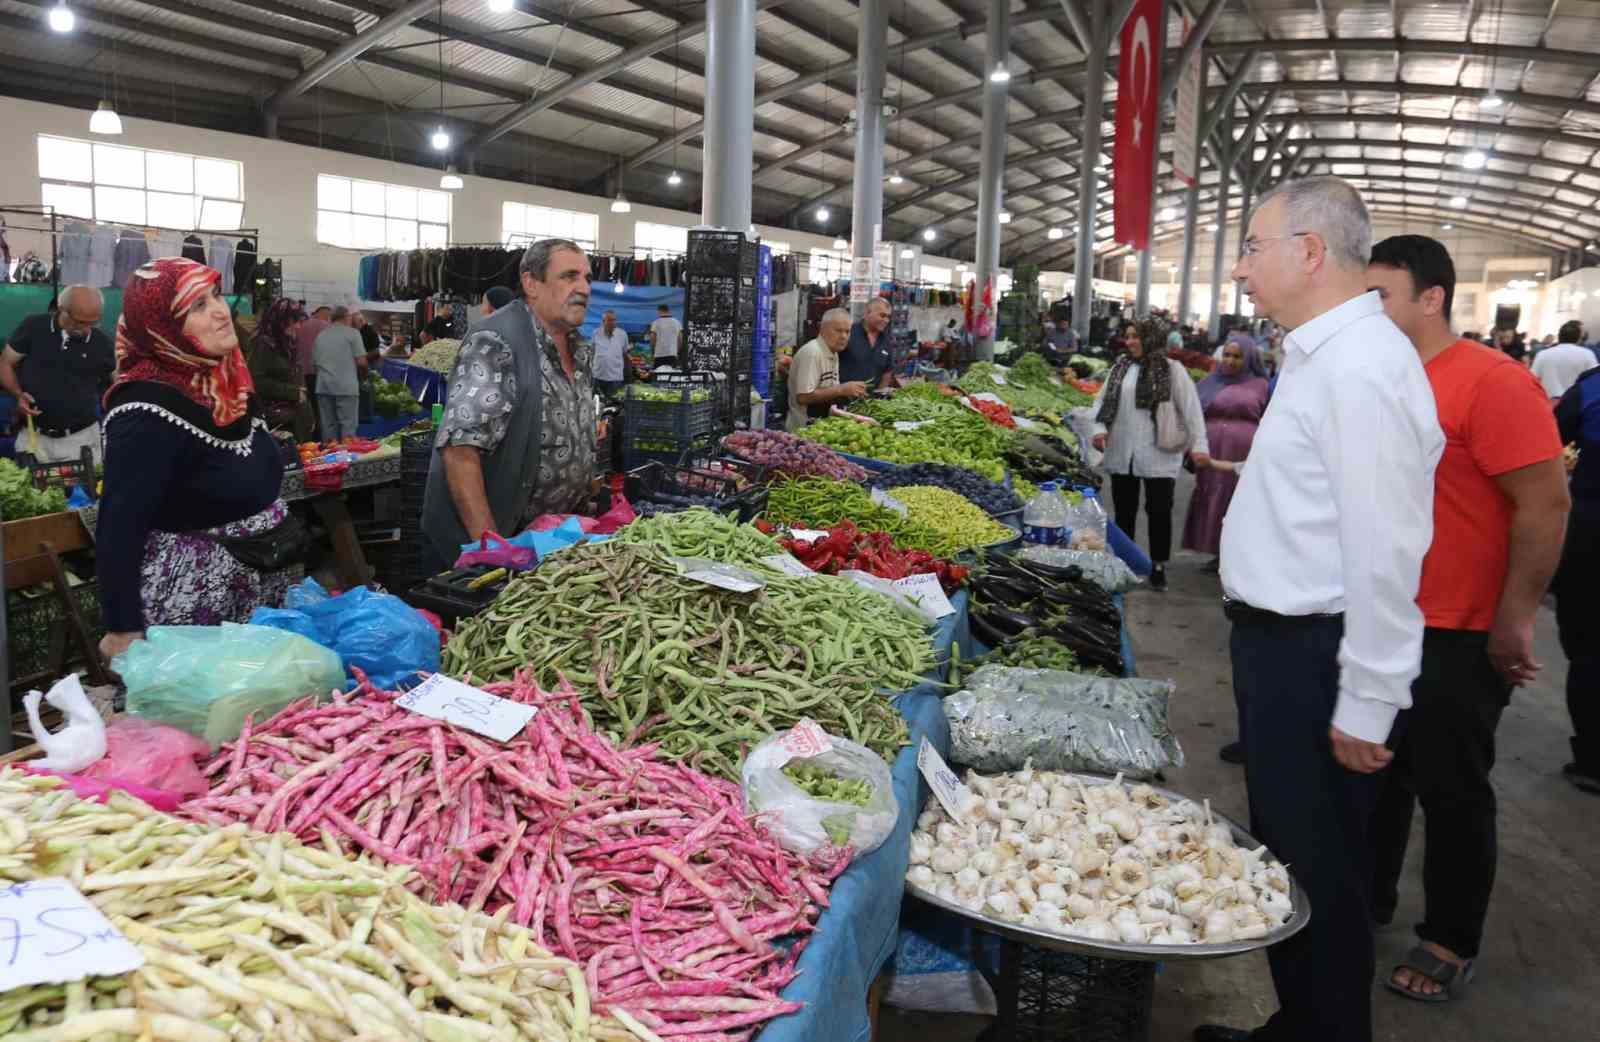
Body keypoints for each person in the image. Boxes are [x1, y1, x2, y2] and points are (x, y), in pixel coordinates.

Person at [1194, 177, 1444, 1042]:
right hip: (1282, 646)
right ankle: (1298, 1023)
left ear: (1309, 251)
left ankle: (1326, 1029)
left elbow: (1388, 549)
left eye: (1253, 247)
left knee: (1323, 870)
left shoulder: (1364, 369)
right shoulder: (1322, 355)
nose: (1240, 268)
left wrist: (1369, 697)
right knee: (1294, 857)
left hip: (1319, 654)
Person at [1366, 234, 1569, 1003]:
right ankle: (1370, 899)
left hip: (1459, 625)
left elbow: (1545, 505)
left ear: (1431, 298)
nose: (1370, 312)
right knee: (1378, 773)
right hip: (1384, 617)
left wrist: (1515, 618)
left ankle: (1450, 937)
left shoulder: (1493, 382)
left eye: (1382, 295)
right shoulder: (1382, 379)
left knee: (1452, 786)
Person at [94, 258, 291, 661]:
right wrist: (122, 626)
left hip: (257, 582)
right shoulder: (144, 410)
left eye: (216, 296)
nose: (220, 311)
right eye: (197, 306)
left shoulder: (227, 383)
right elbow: (119, 523)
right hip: (194, 606)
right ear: (161, 327)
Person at [421, 239, 596, 575]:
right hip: (495, 543)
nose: (584, 288)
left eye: (587, 278)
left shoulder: (580, 349)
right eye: (569, 276)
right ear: (531, 283)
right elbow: (460, 451)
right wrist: (491, 553)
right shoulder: (496, 341)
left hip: (548, 543)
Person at [1088, 315, 1210, 592]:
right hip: (1123, 450)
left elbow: (1192, 411)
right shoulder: (1120, 368)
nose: (1129, 342)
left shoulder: (1172, 370)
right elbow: (1100, 402)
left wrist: (1200, 445)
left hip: (1159, 453)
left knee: (1159, 510)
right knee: (1125, 510)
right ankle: (1126, 562)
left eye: (1136, 336)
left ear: (1151, 338)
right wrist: (1097, 429)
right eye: (1128, 336)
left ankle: (1157, 565)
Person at [1183, 335, 1270, 568]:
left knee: (1235, 499)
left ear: (1249, 358)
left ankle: (1233, 553)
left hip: (1242, 453)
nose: (1230, 361)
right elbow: (1191, 413)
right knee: (1211, 495)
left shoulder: (1262, 385)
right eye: (1227, 355)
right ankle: (1214, 549)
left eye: (1238, 357)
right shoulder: (1210, 382)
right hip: (1210, 452)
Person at [0, 286, 115, 463]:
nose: (85, 329)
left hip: (81, 441)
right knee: (29, 489)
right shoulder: (33, 327)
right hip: (34, 437)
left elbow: (119, 382)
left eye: (92, 323)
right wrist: (18, 395)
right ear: (62, 309)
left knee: (85, 491)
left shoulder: (102, 343)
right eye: (79, 322)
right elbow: (5, 362)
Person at [1555, 367, 1600, 794]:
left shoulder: (1592, 386)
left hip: (1591, 538)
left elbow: (1548, 441)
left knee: (1588, 649)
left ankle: (1593, 759)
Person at [786, 308, 867, 433]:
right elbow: (803, 397)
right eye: (838, 331)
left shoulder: (832, 352)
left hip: (820, 428)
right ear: (822, 329)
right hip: (803, 431)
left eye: (847, 331)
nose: (844, 336)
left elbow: (829, 391)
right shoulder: (813, 352)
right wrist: (841, 389)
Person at [248, 298, 314, 441]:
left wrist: (308, 414)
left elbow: (297, 379)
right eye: (294, 321)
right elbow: (256, 381)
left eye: (299, 322)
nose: (298, 326)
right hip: (278, 421)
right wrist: (292, 393)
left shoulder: (288, 343)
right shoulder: (263, 344)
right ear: (280, 320)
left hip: (295, 418)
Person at [312, 306, 367, 442]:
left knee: (328, 426)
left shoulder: (321, 335)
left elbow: (315, 365)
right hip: (346, 387)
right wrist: (364, 376)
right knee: (348, 426)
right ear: (347, 317)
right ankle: (346, 461)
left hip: (323, 387)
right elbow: (362, 362)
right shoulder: (353, 334)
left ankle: (330, 459)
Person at [1531, 319, 1597, 400]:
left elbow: (1532, 379)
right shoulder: (1587, 354)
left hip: (1548, 402)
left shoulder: (1542, 354)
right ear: (1579, 338)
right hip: (1575, 403)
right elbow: (1594, 380)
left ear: (1559, 336)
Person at [840, 297, 893, 387]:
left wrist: (879, 397)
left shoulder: (886, 340)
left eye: (888, 317)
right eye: (882, 316)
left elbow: (887, 372)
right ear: (867, 313)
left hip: (873, 399)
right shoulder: (848, 333)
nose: (886, 320)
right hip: (844, 398)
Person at [296, 305, 332, 399]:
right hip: (321, 373)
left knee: (308, 401)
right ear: (328, 316)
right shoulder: (328, 327)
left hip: (302, 373)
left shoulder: (300, 326)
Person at [592, 309, 629, 396]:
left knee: (614, 404)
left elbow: (624, 353)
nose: (612, 322)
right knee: (597, 403)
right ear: (603, 321)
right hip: (598, 376)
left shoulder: (622, 334)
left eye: (614, 320)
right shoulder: (596, 333)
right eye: (609, 320)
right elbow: (593, 351)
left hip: (615, 377)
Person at [649, 304, 681, 368]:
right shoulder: (677, 323)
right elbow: (680, 339)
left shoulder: (655, 323)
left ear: (659, 311)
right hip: (672, 354)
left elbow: (652, 339)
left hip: (659, 355)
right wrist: (677, 352)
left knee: (658, 376)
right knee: (670, 376)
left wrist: (653, 351)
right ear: (668, 311)